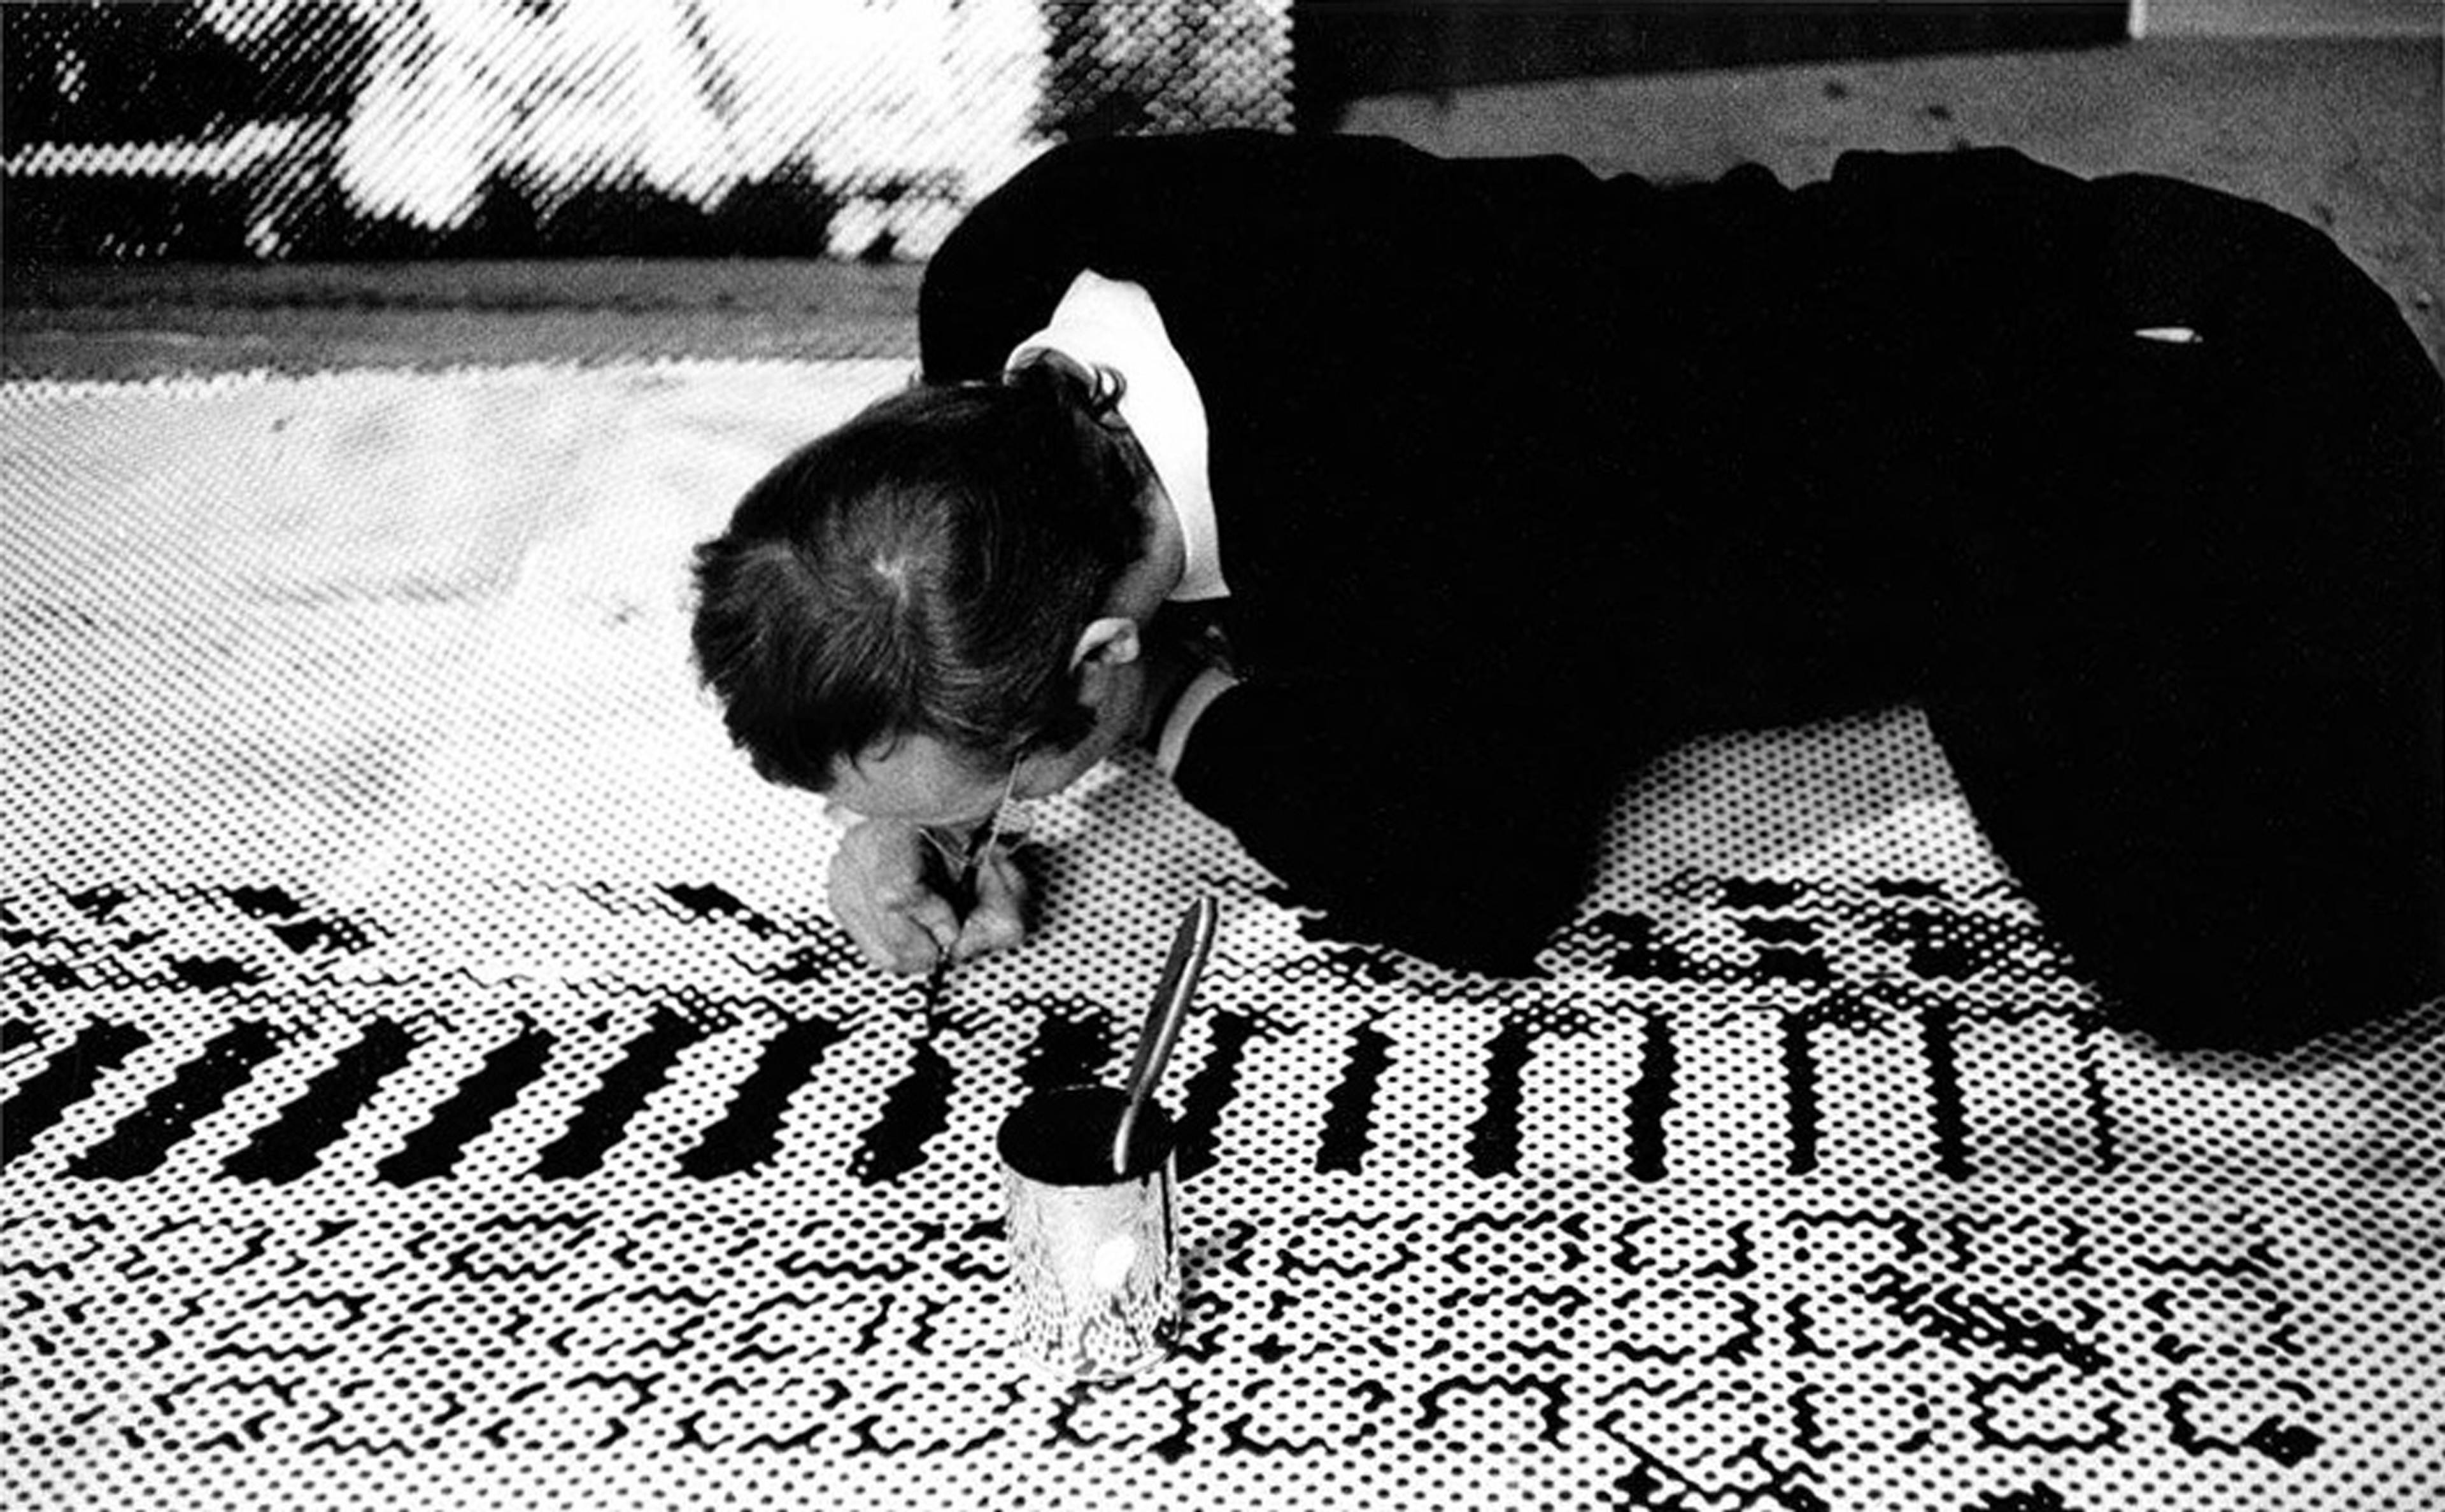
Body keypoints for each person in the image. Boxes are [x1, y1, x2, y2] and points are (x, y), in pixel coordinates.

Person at [690, 129, 2442, 1052]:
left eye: (1004, 789)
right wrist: (886, 810)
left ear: (1099, 658)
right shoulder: (1015, 267)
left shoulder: (1401, 517)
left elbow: (1474, 868)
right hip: (1967, 289)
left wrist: (1180, 712)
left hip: (2160, 385)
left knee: (2240, 962)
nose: (1006, 822)